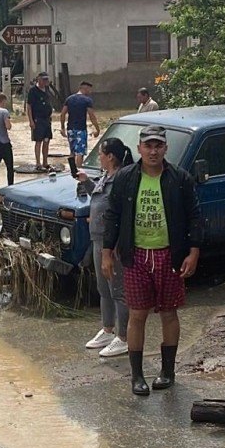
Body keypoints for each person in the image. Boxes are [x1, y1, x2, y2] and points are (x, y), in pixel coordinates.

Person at [102, 125, 201, 395]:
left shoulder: (179, 178)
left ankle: (167, 372)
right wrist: (106, 253)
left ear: (165, 148)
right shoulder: (125, 178)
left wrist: (193, 251)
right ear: (139, 149)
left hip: (170, 254)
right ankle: (137, 376)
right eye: (148, 146)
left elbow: (194, 216)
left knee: (169, 313)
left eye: (158, 146)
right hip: (135, 255)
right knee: (137, 315)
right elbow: (112, 215)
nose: (153, 151)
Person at [77, 138, 132, 357]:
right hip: (98, 238)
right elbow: (100, 199)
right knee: (104, 288)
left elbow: (118, 212)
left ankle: (124, 337)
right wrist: (86, 182)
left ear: (110, 156)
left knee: (118, 289)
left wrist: (116, 244)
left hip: (113, 243)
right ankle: (108, 329)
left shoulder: (120, 179)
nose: (98, 156)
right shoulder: (105, 177)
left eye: (101, 153)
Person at [60, 80, 100, 176]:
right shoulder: (87, 100)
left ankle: (72, 171)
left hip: (70, 129)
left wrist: (62, 128)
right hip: (81, 129)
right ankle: (78, 172)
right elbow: (92, 116)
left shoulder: (69, 99)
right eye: (89, 90)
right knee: (80, 152)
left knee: (72, 151)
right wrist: (97, 129)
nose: (89, 92)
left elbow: (62, 114)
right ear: (84, 88)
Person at [26, 72, 54, 171]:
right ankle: (38, 163)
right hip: (37, 119)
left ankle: (45, 162)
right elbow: (29, 106)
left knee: (47, 140)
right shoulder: (33, 91)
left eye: (47, 80)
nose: (45, 82)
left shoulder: (47, 89)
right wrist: (31, 121)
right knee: (38, 141)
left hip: (47, 119)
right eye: (43, 80)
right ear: (39, 79)